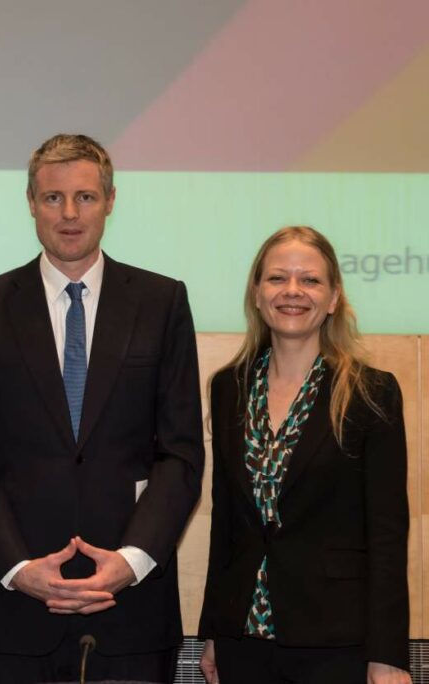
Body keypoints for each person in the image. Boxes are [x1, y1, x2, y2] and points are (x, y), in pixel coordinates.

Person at [0, 134, 204, 683]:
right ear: (31, 202)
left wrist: (130, 563)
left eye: (84, 197)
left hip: (130, 615)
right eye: (52, 197)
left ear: (110, 201)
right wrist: (17, 568)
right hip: (13, 615)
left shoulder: (162, 303)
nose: (68, 213)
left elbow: (180, 455)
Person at [198, 226, 411, 684]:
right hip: (242, 641)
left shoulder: (371, 393)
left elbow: (389, 535)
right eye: (277, 278)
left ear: (333, 297)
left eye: (310, 280)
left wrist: (388, 653)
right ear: (256, 293)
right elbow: (226, 522)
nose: (292, 291)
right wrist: (213, 630)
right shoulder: (227, 387)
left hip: (336, 642)